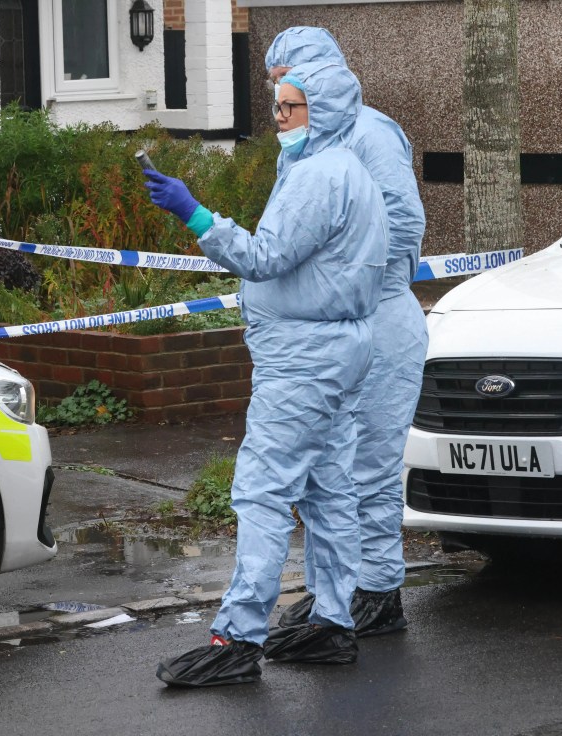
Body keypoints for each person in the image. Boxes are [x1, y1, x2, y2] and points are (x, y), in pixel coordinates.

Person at [146, 60, 388, 688]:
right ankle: (333, 622)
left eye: (291, 106)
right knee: (329, 489)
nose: (278, 118)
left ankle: (238, 635)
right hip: (337, 351)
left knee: (262, 490)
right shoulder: (352, 173)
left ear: (325, 110)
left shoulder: (318, 177)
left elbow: (264, 258)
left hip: (303, 360)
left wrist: (194, 213)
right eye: (276, 106)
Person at [267, 27, 428, 637]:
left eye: (283, 80)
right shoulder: (305, 145)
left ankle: (378, 589)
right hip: (332, 323)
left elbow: (401, 224)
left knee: (371, 464)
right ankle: (331, 591)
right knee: (325, 471)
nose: (277, 101)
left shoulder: (370, 133)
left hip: (378, 319)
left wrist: (347, 281)